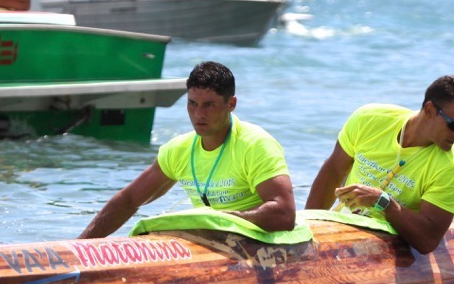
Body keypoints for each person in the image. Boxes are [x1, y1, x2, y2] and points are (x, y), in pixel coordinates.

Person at [79, 61, 296, 238]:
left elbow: (285, 215)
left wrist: (224, 219)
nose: (199, 114)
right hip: (210, 241)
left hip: (262, 244)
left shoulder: (255, 144)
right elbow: (129, 200)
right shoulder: (178, 150)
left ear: (231, 104)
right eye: (192, 104)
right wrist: (77, 247)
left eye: (209, 105)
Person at [306, 75, 454, 254]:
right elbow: (333, 171)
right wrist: (307, 226)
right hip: (342, 226)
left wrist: (383, 203)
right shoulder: (369, 119)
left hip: (387, 246)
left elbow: (427, 241)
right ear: (430, 109)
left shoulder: (451, 168)